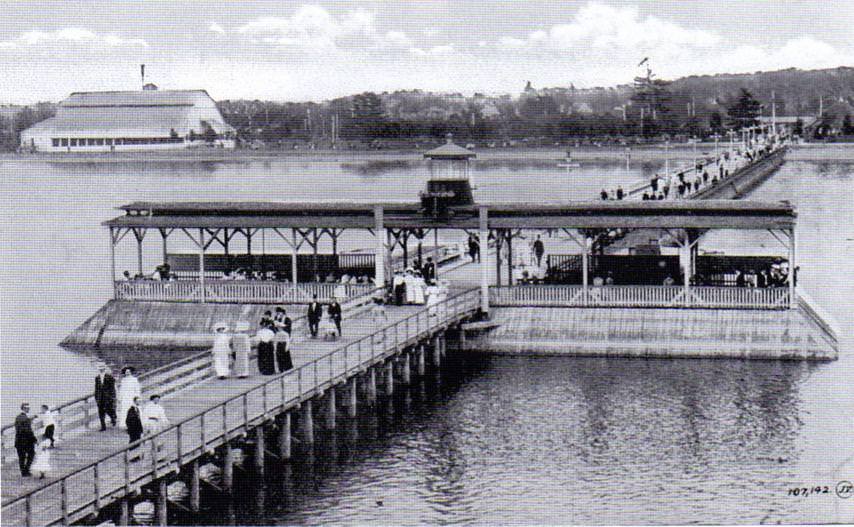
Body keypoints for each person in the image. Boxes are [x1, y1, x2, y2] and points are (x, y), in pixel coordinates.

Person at [15, 403, 37, 476]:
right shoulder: (26, 419)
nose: (29, 409)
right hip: (26, 441)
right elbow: (28, 430)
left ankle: (23, 472)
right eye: (27, 408)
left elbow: (21, 427)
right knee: (31, 454)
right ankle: (26, 470)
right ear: (24, 408)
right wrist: (34, 439)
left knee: (21, 457)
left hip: (18, 441)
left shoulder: (18, 417)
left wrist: (32, 418)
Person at [95, 365, 117, 431]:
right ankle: (103, 426)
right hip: (100, 398)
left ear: (104, 369)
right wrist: (96, 397)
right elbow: (96, 388)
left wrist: (112, 397)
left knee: (109, 410)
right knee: (101, 412)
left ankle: (113, 418)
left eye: (102, 368)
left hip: (108, 397)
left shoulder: (109, 376)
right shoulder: (97, 377)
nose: (101, 369)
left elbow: (112, 388)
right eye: (100, 368)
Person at [126, 396, 144, 461]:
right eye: (138, 401)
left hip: (137, 429)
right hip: (133, 430)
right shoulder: (131, 410)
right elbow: (129, 420)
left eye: (139, 401)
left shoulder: (138, 409)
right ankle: (132, 456)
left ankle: (136, 456)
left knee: (137, 443)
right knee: (133, 442)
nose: (139, 402)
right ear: (135, 401)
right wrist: (131, 428)